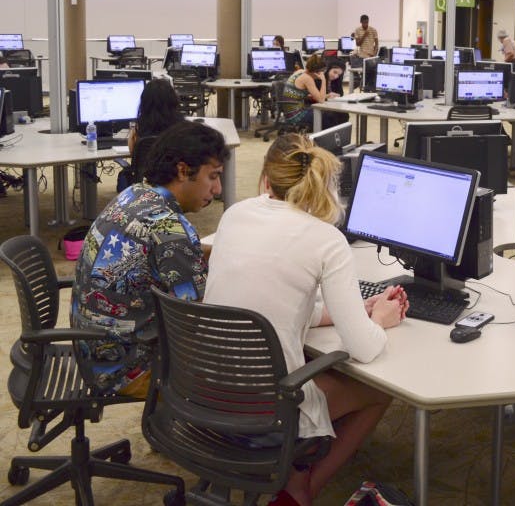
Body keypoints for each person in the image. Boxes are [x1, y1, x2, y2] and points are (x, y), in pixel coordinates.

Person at [204, 134, 406, 506]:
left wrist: (355, 309)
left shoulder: (234, 215)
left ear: (266, 179)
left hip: (203, 394)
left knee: (312, 364)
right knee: (380, 390)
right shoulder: (327, 240)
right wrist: (379, 319)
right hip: (264, 411)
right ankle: (299, 493)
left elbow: (272, 305)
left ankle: (290, 470)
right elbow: (363, 348)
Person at [71, 121, 229, 397]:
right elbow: (203, 318)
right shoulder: (168, 227)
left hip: (91, 348)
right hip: (125, 369)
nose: (217, 190)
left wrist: (229, 251)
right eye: (213, 177)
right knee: (250, 358)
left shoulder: (135, 194)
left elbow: (173, 254)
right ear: (183, 171)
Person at [280, 53, 333, 129]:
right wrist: (323, 80)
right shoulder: (307, 79)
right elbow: (321, 100)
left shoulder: (300, 71)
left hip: (289, 112)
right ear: (317, 72)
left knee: (326, 112)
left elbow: (298, 94)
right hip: (296, 116)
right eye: (322, 72)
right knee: (329, 116)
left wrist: (325, 95)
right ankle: (320, 137)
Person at [321, 58, 350, 129]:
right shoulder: (320, 78)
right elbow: (315, 97)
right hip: (319, 105)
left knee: (344, 114)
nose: (336, 76)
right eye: (334, 72)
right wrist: (327, 96)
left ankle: (339, 136)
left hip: (330, 105)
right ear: (328, 68)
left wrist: (337, 95)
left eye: (339, 75)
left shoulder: (337, 80)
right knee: (332, 116)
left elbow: (340, 94)